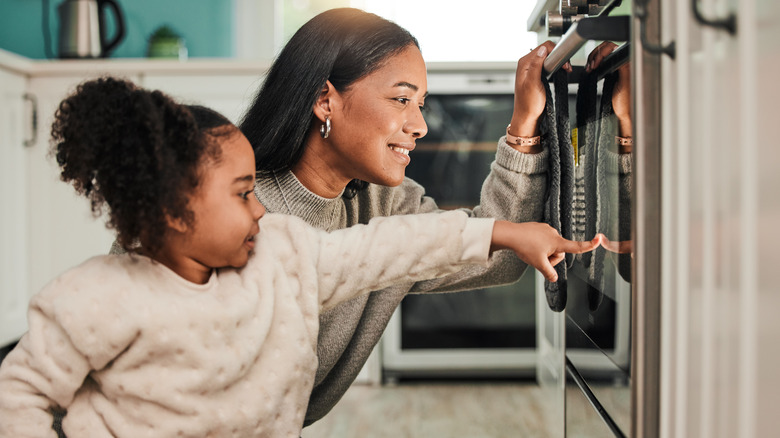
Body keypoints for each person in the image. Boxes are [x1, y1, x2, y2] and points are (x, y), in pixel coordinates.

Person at [0, 77, 599, 437]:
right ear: (172, 212)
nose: (259, 207)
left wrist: (499, 232)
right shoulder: (94, 296)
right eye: (241, 195)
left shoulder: (283, 255)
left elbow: (388, 246)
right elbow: (20, 393)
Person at [235, 7, 573, 426]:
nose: (420, 125)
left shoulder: (383, 205)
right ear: (325, 100)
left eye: (421, 104)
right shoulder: (232, 211)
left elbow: (499, 252)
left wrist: (524, 122)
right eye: (401, 99)